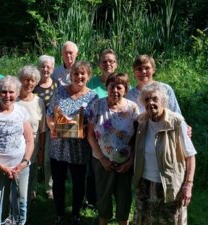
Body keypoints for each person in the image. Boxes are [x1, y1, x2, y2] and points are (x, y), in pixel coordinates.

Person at [133, 81, 196, 225]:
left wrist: (188, 185)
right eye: (147, 99)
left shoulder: (176, 122)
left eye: (155, 99)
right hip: (145, 184)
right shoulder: (142, 121)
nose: (151, 103)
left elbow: (190, 156)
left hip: (169, 185)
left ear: (163, 101)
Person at [46, 61, 98, 225]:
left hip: (79, 147)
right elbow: (49, 115)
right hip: (58, 146)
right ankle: (59, 214)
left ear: (88, 76)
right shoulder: (60, 91)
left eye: (83, 74)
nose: (79, 77)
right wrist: (53, 128)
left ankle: (76, 213)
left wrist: (86, 129)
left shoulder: (93, 97)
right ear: (71, 75)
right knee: (59, 182)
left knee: (78, 183)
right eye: (76, 73)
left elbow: (93, 122)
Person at [0, 76, 34, 225]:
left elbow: (29, 140)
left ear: (17, 93)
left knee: (21, 201)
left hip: (20, 167)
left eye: (11, 92)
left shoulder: (22, 111)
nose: (7, 96)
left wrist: (24, 162)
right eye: (3, 92)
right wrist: (1, 167)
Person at [87, 73, 138, 225]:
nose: (115, 90)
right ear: (106, 87)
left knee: (124, 196)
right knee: (103, 194)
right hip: (101, 160)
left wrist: (130, 161)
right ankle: (103, 222)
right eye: (112, 86)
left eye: (119, 87)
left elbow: (137, 138)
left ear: (125, 89)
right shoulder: (97, 105)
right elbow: (90, 135)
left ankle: (123, 222)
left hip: (125, 162)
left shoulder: (132, 108)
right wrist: (102, 159)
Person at [84, 48, 119, 208]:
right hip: (94, 132)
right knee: (93, 168)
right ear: (99, 64)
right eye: (104, 61)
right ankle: (92, 201)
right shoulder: (92, 83)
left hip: (117, 133)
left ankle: (112, 199)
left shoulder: (121, 82)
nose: (108, 64)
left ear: (116, 64)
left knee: (116, 168)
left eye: (111, 61)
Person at [16, 65, 46, 216]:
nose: (29, 83)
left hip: (33, 146)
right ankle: (13, 207)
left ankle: (26, 204)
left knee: (31, 176)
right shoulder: (12, 100)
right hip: (14, 147)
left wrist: (41, 150)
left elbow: (42, 129)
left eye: (32, 80)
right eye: (26, 80)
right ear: (20, 81)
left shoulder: (39, 102)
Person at [33, 55, 58, 199]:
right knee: (34, 157)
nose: (45, 69)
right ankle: (31, 188)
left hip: (52, 126)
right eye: (42, 66)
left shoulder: (56, 84)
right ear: (38, 68)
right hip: (36, 126)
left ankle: (50, 188)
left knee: (48, 159)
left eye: (48, 66)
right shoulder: (33, 85)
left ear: (52, 68)